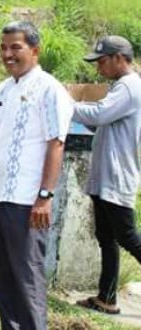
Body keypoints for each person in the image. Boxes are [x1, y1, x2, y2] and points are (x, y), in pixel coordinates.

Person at [0, 21, 73, 330]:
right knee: (2, 280)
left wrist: (44, 196)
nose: (8, 54)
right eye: (3, 47)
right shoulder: (3, 89)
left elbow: (56, 143)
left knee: (26, 279)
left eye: (16, 47)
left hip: (26, 201)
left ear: (34, 50)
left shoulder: (50, 89)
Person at [73, 36, 141, 315]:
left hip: (116, 175)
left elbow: (99, 114)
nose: (99, 67)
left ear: (119, 58)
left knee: (126, 236)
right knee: (107, 237)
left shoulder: (129, 87)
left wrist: (64, 104)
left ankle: (107, 295)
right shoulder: (120, 87)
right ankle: (107, 297)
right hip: (105, 175)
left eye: (102, 61)